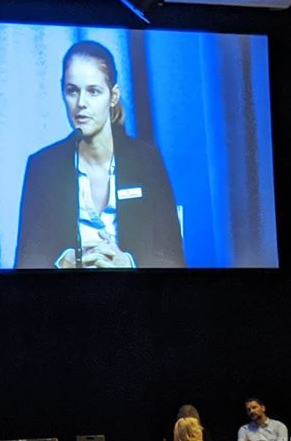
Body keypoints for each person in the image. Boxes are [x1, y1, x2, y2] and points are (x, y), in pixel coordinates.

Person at [14, 40, 185, 269]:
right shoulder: (42, 166)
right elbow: (25, 263)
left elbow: (174, 260)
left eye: (93, 91)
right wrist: (60, 264)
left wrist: (130, 264)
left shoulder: (147, 160)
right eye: (72, 91)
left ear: (113, 97)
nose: (81, 103)